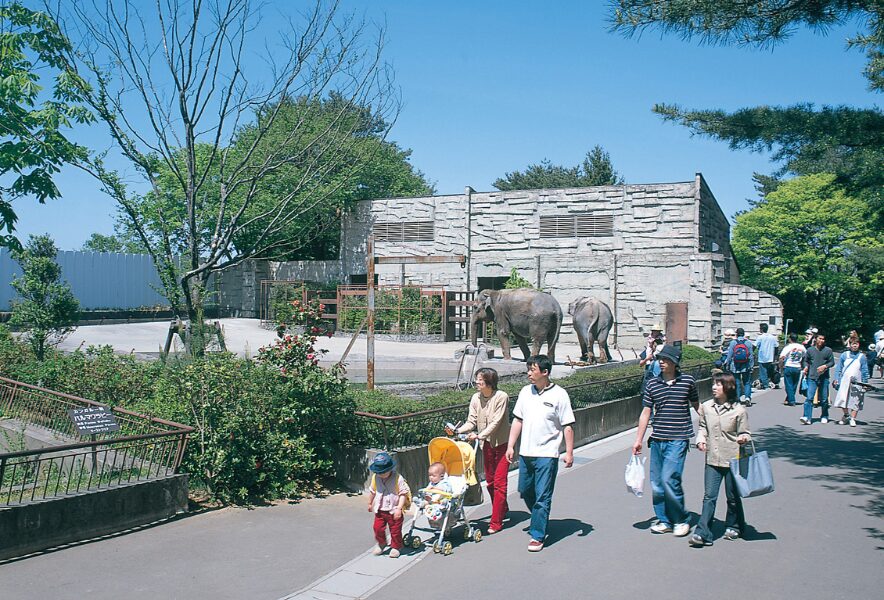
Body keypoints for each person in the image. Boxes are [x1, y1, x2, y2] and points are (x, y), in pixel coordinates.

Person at [506, 355, 575, 552]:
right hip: (526, 452)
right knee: (525, 491)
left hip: (547, 453)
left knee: (542, 496)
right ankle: (540, 516)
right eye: (528, 369)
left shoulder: (559, 395)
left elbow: (567, 426)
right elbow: (518, 420)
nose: (529, 373)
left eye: (532, 369)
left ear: (545, 372)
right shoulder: (525, 392)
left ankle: (537, 534)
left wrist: (569, 452)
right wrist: (511, 446)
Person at [632, 344, 700, 538]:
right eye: (660, 358)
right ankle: (664, 520)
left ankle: (680, 519)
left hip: (678, 438)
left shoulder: (687, 381)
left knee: (670, 478)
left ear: (675, 363)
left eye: (665, 359)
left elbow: (697, 406)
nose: (661, 362)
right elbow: (646, 412)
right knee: (657, 483)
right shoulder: (652, 383)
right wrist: (639, 439)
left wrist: (708, 429)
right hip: (657, 438)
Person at [689, 372, 751, 547]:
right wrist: (700, 439)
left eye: (718, 384)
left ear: (728, 387)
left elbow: (745, 432)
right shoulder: (707, 407)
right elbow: (703, 427)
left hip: (733, 459)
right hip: (712, 459)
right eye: (713, 384)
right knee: (709, 496)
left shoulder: (739, 410)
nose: (714, 387)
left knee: (732, 496)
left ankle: (734, 525)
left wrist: (744, 438)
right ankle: (702, 533)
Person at [455, 367, 511, 534]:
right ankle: (502, 507)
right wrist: (458, 431)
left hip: (502, 445)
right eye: (477, 379)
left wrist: (479, 435)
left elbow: (496, 422)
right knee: (490, 483)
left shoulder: (501, 397)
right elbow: (471, 421)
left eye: (480, 379)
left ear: (489, 382)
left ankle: (496, 521)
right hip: (485, 445)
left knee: (500, 483)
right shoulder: (475, 398)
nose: (477, 382)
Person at [366, 451, 411, 558]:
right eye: (378, 472)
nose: (380, 474)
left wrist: (399, 508)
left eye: (383, 472)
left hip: (394, 509)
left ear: (390, 469)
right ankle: (382, 543)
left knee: (395, 530)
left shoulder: (397, 478)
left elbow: (403, 494)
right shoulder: (375, 477)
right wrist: (369, 503)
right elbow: (372, 491)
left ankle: (396, 547)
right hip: (380, 509)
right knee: (377, 528)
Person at [832, 337, 870, 427]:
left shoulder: (862, 357)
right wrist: (836, 378)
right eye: (853, 344)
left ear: (858, 345)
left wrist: (865, 383)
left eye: (856, 344)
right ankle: (846, 415)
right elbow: (839, 368)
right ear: (850, 345)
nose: (854, 345)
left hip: (857, 382)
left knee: (855, 400)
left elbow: (864, 370)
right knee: (842, 399)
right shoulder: (845, 355)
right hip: (845, 381)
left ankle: (853, 419)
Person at [800, 333, 834, 425]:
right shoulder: (810, 350)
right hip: (812, 377)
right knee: (809, 398)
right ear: (815, 339)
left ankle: (824, 415)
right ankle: (807, 417)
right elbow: (805, 361)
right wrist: (806, 367)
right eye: (820, 338)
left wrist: (825, 366)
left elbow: (832, 362)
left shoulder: (828, 350)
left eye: (823, 339)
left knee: (824, 399)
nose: (821, 341)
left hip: (824, 378)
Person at [725, 328, 755, 405]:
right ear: (743, 334)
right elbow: (751, 356)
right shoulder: (748, 343)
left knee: (737, 382)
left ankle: (737, 399)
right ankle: (747, 398)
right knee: (747, 382)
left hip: (735, 366)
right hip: (746, 365)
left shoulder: (733, 342)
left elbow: (729, 355)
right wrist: (751, 366)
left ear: (736, 334)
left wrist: (727, 365)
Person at [779, 333, 806, 406]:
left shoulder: (788, 347)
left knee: (788, 384)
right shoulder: (802, 347)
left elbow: (782, 357)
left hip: (789, 366)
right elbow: (805, 357)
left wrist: (781, 366)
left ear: (790, 339)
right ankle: (788, 399)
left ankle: (791, 400)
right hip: (797, 367)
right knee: (794, 384)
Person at [639, 324, 664, 393]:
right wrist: (647, 359)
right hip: (649, 375)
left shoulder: (661, 354)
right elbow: (641, 364)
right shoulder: (647, 352)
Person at [755, 323, 779, 390]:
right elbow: (776, 346)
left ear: (762, 329)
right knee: (768, 371)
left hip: (762, 357)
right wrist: (775, 356)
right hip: (770, 357)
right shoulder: (772, 337)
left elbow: (755, 346)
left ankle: (765, 385)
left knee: (763, 372)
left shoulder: (760, 337)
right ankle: (766, 383)